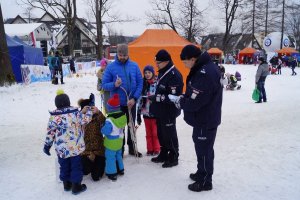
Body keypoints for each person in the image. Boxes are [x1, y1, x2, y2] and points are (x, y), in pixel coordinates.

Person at [168, 45, 223, 192]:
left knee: (204, 150)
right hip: (203, 118)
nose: (185, 65)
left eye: (185, 62)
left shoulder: (205, 73)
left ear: (193, 59)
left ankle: (205, 181)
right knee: (202, 148)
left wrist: (180, 102)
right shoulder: (203, 67)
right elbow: (194, 92)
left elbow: (196, 101)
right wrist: (184, 97)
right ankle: (201, 172)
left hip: (205, 119)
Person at [43, 89, 97, 195]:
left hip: (62, 150)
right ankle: (76, 186)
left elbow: (50, 133)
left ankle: (66, 184)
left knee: (64, 166)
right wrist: (90, 108)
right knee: (76, 166)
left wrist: (47, 146)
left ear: (57, 104)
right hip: (75, 149)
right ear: (68, 102)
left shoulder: (54, 117)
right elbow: (86, 119)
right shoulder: (75, 114)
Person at [101, 44, 143, 157]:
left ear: (128, 54)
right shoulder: (111, 67)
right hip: (117, 105)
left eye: (125, 55)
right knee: (119, 128)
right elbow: (104, 85)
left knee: (131, 125)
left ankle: (132, 148)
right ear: (117, 54)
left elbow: (140, 83)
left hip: (131, 103)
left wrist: (134, 98)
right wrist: (114, 84)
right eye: (120, 55)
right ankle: (119, 150)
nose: (123, 57)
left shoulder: (134, 66)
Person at [149, 49, 183, 168]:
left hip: (169, 111)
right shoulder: (163, 71)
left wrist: (157, 97)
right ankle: (164, 153)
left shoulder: (174, 75)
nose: (156, 65)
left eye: (158, 62)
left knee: (170, 134)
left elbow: (175, 97)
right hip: (160, 111)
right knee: (161, 133)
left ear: (166, 61)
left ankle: (174, 156)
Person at [78, 94, 106, 181]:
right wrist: (81, 113)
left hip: (98, 151)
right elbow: (72, 124)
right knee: (84, 171)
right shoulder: (79, 119)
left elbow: (105, 122)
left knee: (96, 177)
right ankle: (90, 163)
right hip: (86, 152)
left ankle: (99, 164)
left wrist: (99, 112)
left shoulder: (97, 116)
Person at [101, 94, 127, 181]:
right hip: (119, 141)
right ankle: (121, 169)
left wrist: (102, 127)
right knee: (118, 155)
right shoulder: (123, 117)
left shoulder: (109, 121)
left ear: (110, 109)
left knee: (110, 157)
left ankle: (112, 173)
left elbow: (106, 131)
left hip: (111, 143)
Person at [137, 65, 160, 156]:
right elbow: (139, 98)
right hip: (145, 112)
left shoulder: (157, 83)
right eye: (145, 73)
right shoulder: (143, 84)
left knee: (155, 133)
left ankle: (157, 148)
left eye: (149, 72)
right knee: (148, 133)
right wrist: (138, 112)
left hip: (155, 112)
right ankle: (150, 149)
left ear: (153, 73)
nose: (147, 74)